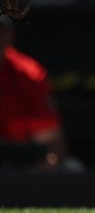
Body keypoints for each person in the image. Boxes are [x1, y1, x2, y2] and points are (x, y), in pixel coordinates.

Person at [0, 14, 68, 169]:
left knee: (72, 168)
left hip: (20, 169)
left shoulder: (29, 74)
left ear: (9, 36)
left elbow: (51, 145)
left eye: (0, 32)